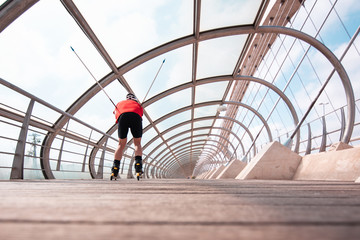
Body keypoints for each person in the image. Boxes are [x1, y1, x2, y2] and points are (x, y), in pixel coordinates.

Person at [111, 93, 143, 180]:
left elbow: (115, 113)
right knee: (137, 143)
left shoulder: (120, 103)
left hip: (123, 117)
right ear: (135, 99)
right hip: (136, 116)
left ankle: (115, 168)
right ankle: (138, 167)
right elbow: (141, 114)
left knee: (121, 144)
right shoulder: (138, 105)